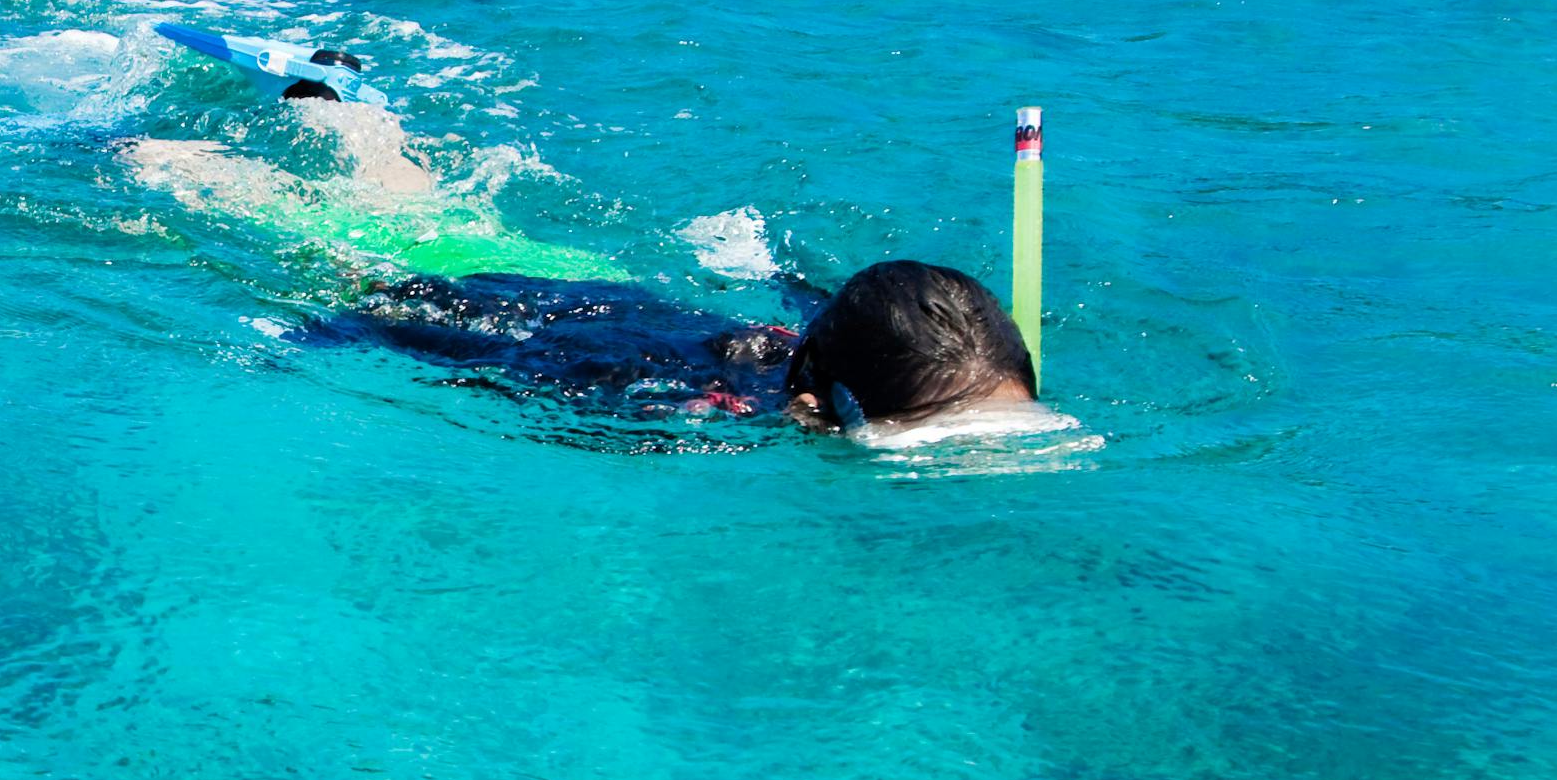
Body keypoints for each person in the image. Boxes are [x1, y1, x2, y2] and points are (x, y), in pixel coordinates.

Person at [325, 256, 1058, 437]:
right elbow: (473, 361)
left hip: (687, 315)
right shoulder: (668, 406)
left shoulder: (854, 351)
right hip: (561, 322)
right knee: (361, 281)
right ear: (819, 406)